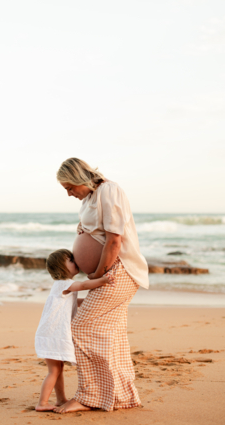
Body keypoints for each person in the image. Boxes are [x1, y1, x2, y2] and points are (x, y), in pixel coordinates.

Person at [54, 158, 149, 414]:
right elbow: (97, 230)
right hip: (110, 272)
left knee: (81, 327)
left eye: (70, 187)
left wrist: (97, 272)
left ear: (80, 178)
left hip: (118, 271)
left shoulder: (109, 190)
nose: (69, 193)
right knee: (112, 333)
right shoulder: (89, 198)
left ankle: (88, 396)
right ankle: (120, 395)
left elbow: (115, 240)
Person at [34, 248, 114, 412]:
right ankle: (42, 403)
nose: (75, 261)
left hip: (49, 334)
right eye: (70, 260)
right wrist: (104, 280)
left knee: (57, 370)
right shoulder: (65, 284)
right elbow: (84, 284)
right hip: (53, 335)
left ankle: (61, 399)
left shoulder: (62, 287)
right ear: (61, 267)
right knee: (54, 371)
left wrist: (94, 299)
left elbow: (73, 302)